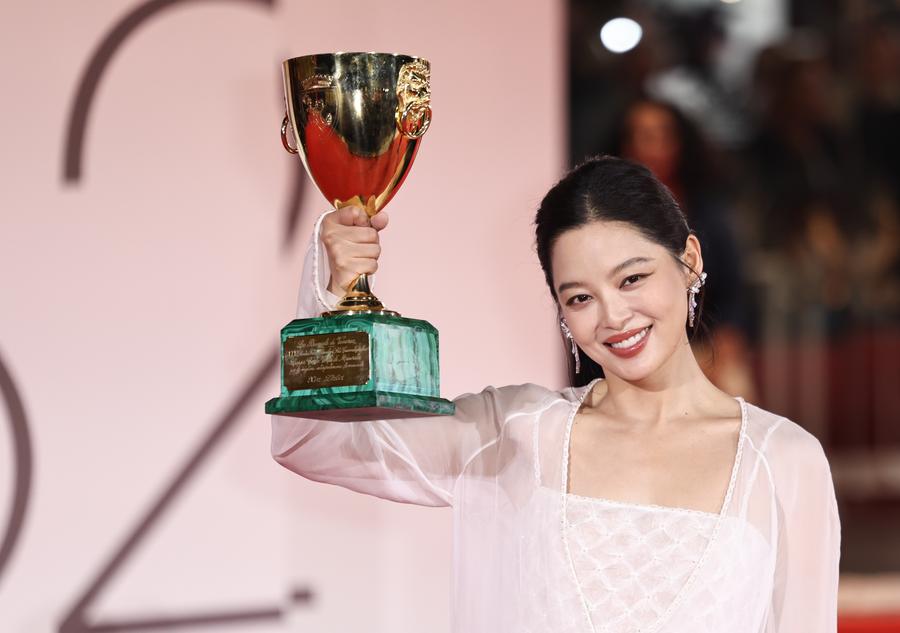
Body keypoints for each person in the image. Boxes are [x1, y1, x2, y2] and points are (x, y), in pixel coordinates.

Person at [271, 156, 840, 633]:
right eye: (580, 298)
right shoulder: (518, 432)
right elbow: (313, 439)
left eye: (632, 278)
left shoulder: (784, 461)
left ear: (689, 260)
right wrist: (333, 292)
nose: (614, 316)